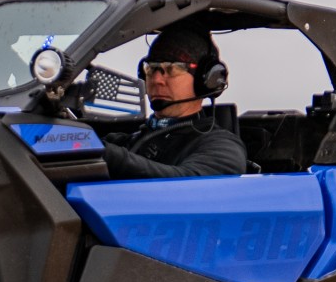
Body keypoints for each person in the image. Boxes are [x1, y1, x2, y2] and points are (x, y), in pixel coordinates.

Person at [101, 24, 248, 178]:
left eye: (172, 69)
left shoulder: (223, 147)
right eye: (151, 69)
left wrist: (107, 154)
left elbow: (183, 183)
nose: (157, 80)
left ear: (205, 80)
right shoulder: (127, 141)